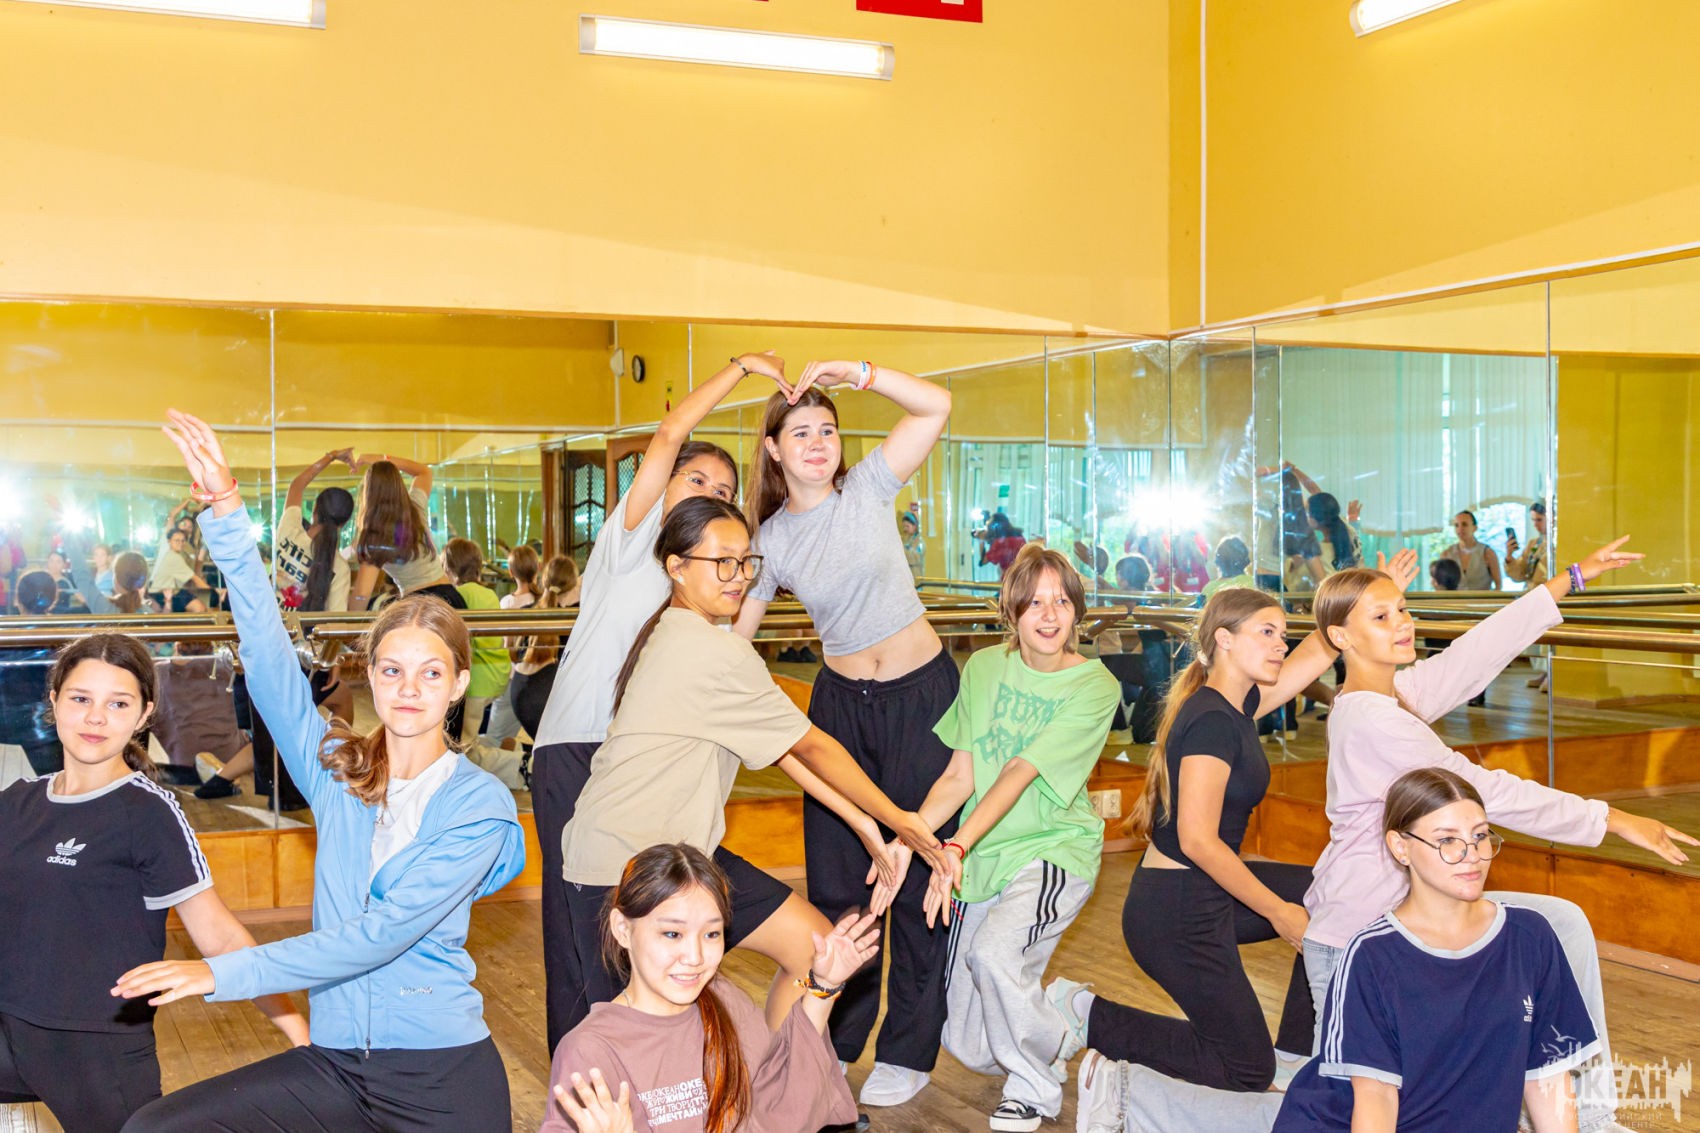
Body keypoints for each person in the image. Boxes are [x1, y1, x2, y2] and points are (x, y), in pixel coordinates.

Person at [116, 411, 527, 1133]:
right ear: (369, 674)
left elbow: (376, 937)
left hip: (439, 1076)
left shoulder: (480, 806)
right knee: (156, 1128)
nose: (409, 688)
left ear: (460, 684)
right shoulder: (342, 776)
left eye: (431, 673)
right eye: (392, 669)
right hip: (336, 1062)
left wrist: (220, 972)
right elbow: (270, 661)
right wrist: (227, 512)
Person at [1301, 536, 1698, 1132]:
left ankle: (1592, 1119)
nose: (1403, 623)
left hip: (1420, 916)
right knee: (1333, 1110)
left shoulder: (1393, 695)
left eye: (1402, 609)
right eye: (1380, 618)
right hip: (1357, 934)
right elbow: (1484, 792)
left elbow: (1476, 653)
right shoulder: (1371, 718)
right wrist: (1612, 819)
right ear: (1341, 637)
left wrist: (1571, 579)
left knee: (1560, 924)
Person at [560, 497, 951, 1040]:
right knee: (637, 1049)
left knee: (816, 948)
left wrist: (866, 824)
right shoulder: (710, 650)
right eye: (722, 562)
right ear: (676, 567)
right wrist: (900, 820)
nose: (739, 576)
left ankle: (779, 1083)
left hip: (680, 853)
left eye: (746, 561)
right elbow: (814, 748)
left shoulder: (684, 633)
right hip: (622, 865)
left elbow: (787, 750)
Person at [1048, 555, 1417, 1101]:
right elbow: (1198, 841)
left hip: (1203, 893)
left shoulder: (1237, 705)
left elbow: (1316, 652)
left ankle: (1299, 1054)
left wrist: (1367, 601)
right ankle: (1084, 1014)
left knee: (1332, 897)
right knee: (1244, 1068)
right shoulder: (1212, 722)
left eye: (1282, 634)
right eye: (1267, 633)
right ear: (1224, 639)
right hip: (1174, 912)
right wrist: (1279, 912)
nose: (1281, 645)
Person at [1073, 769, 1603, 1133]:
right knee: (1271, 1111)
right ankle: (1129, 1093)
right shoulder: (1372, 956)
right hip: (1342, 1122)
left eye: (1481, 836)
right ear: (1400, 847)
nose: (1471, 855)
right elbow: (1376, 1103)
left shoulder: (1531, 937)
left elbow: (1547, 1078)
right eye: (1446, 840)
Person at [531, 349, 784, 1054]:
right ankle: (581, 1075)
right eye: (696, 478)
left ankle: (649, 1069)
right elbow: (670, 431)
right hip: (577, 747)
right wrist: (741, 370)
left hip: (643, 767)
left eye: (724, 488)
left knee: (643, 922)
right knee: (579, 928)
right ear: (665, 482)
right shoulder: (633, 541)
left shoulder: (709, 589)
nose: (710, 490)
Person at [733, 358, 958, 1106]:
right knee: (840, 883)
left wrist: (858, 372)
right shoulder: (769, 539)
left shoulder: (867, 487)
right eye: (800, 432)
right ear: (773, 448)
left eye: (827, 430)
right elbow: (735, 638)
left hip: (922, 699)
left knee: (919, 872)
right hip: (841, 708)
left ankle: (909, 1049)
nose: (817, 443)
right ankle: (833, 1041)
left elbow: (934, 404)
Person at [0, 632, 306, 1133]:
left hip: (97, 1049)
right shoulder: (16, 802)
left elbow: (219, 936)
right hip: (9, 1028)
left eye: (117, 704)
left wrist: (297, 1032)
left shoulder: (148, 812)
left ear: (144, 715)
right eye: (80, 699)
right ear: (53, 702)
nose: (96, 718)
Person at [870, 545, 1118, 1132]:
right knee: (966, 1039)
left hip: (1052, 850)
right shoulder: (982, 668)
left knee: (995, 955)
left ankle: (1034, 1089)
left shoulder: (1095, 685)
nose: (1049, 615)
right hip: (982, 859)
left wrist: (954, 846)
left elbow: (1018, 770)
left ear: (1077, 611)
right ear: (1012, 612)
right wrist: (910, 838)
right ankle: (1059, 1018)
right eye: (1034, 603)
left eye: (1061, 602)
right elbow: (961, 775)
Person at [541, 844, 867, 1133]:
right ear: (622, 929)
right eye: (672, 934)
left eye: (711, 934)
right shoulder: (590, 1051)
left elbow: (782, 1101)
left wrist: (824, 986)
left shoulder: (724, 1002)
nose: (695, 957)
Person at [444, 538, 513, 760]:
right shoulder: (489, 593)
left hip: (477, 681)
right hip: (498, 673)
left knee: (465, 743)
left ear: (448, 567)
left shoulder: (459, 595)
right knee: (470, 737)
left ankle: (513, 766)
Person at [272, 448, 355, 615]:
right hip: (301, 632)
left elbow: (296, 485)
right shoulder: (340, 568)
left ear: (315, 509)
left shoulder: (290, 531)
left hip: (263, 624)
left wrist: (331, 456)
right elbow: (335, 621)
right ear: (344, 523)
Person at [509, 553, 579, 743]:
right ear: (574, 586)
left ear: (543, 580)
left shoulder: (527, 613)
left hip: (519, 694)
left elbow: (515, 654)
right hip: (546, 701)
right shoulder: (575, 622)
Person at [483, 543, 543, 746]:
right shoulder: (543, 601)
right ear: (538, 568)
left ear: (510, 572)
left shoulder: (507, 603)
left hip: (513, 678)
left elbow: (503, 645)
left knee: (494, 738)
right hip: (538, 677)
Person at [1440, 509, 1502, 590]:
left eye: (1464, 524)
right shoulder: (1446, 555)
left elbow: (1498, 585)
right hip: (1455, 598)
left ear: (1475, 528)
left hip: (1482, 597)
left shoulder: (1487, 553)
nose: (1460, 528)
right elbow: (1441, 585)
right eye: (1456, 525)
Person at [1506, 501, 1549, 587]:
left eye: (1539, 520)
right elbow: (1520, 575)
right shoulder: (1533, 544)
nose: (1535, 524)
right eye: (1533, 520)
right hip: (1532, 591)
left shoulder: (1561, 545)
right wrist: (1509, 557)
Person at [978, 512, 1026, 578]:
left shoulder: (1000, 543)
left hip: (1009, 578)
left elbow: (983, 561)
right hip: (1022, 577)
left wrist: (981, 540)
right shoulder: (1020, 537)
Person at [900, 510, 924, 584]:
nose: (905, 529)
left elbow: (915, 558)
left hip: (916, 575)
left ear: (914, 526)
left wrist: (902, 551)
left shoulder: (919, 541)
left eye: (907, 526)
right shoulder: (905, 538)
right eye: (904, 526)